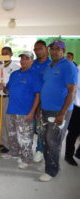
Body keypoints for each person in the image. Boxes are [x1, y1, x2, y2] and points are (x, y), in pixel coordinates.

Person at [39, 40, 77, 182]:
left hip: (59, 111)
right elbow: (47, 87)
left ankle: (52, 171)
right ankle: (48, 163)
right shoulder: (49, 66)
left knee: (53, 140)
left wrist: (62, 113)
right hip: (46, 109)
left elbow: (72, 91)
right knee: (45, 139)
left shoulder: (68, 66)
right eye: (52, 49)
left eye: (57, 49)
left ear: (63, 50)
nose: (54, 51)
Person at [1, 51, 41, 169]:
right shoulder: (15, 74)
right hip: (11, 110)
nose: (23, 60)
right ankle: (14, 152)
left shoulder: (35, 75)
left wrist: (32, 112)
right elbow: (8, 90)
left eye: (26, 58)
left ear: (31, 61)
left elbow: (38, 95)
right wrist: (3, 88)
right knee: (12, 134)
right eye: (22, 58)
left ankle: (26, 159)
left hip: (25, 112)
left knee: (25, 138)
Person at [32, 40, 52, 163]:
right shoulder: (32, 63)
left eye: (40, 48)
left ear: (46, 49)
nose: (38, 51)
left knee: (42, 127)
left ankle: (40, 149)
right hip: (31, 100)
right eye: (36, 49)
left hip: (45, 101)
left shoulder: (51, 64)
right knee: (33, 126)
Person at [65, 64, 80, 166]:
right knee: (73, 132)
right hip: (77, 105)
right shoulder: (78, 69)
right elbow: (75, 87)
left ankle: (79, 153)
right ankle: (68, 155)